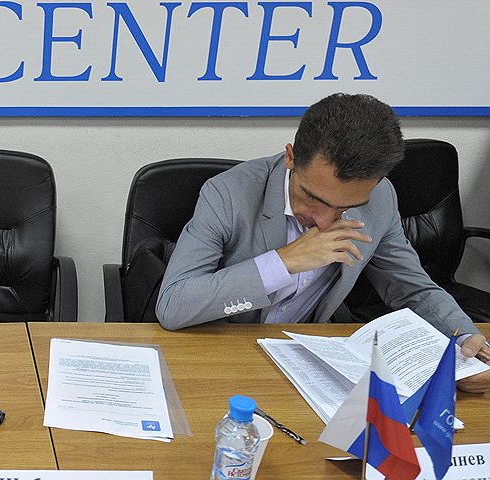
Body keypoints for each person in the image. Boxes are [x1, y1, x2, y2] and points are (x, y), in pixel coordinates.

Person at [155, 93, 490, 392]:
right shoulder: (227, 194)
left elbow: (411, 288)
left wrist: (464, 338)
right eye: (314, 198)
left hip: (311, 358)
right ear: (290, 158)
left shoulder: (380, 199)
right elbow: (173, 305)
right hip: (223, 351)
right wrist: (283, 262)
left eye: (346, 207)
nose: (325, 222)